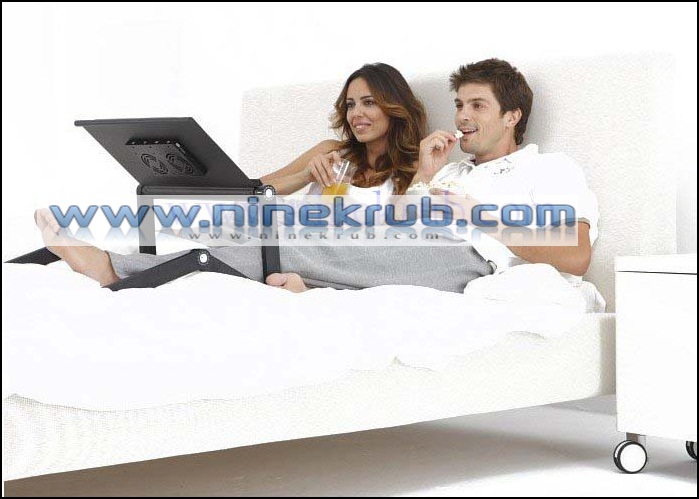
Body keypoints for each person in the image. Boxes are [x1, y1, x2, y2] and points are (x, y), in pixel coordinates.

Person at [34, 63, 493, 292]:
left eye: (370, 103)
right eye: (351, 104)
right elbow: (254, 191)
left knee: (253, 241)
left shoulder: (417, 167)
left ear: (394, 108)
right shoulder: (331, 152)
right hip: (296, 238)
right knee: (229, 222)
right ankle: (121, 253)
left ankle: (111, 268)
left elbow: (394, 241)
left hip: (338, 254)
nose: (357, 113)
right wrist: (305, 176)